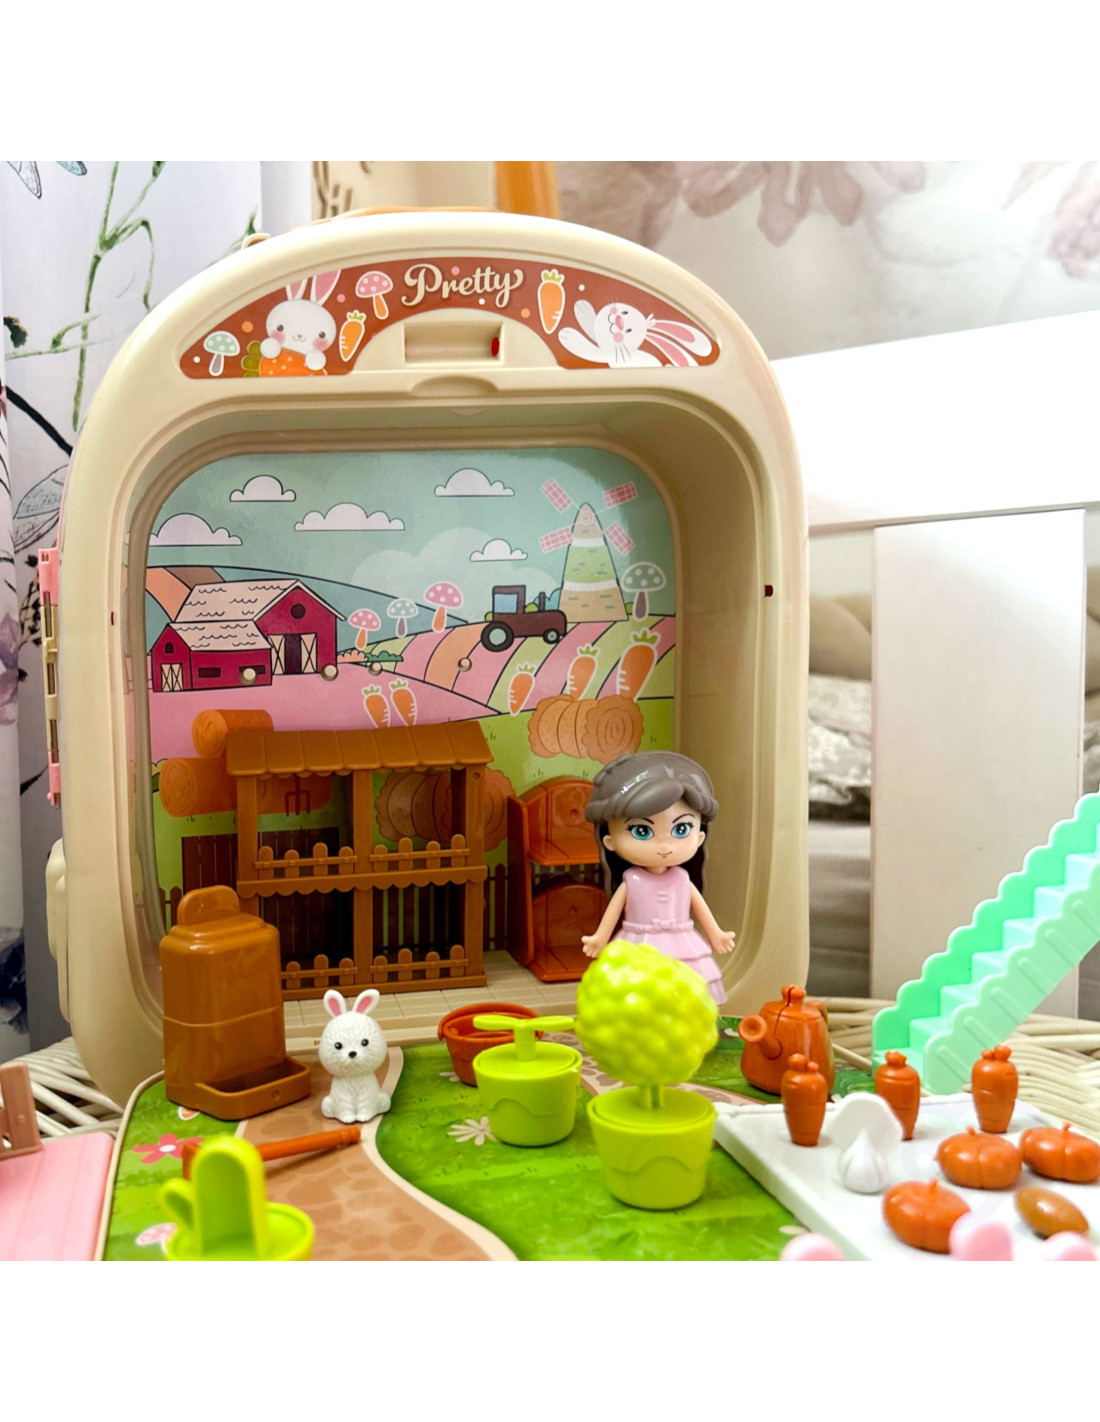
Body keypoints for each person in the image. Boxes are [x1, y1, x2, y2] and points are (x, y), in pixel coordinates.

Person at [582, 751, 736, 1005]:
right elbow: (613, 913)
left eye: (681, 829)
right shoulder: (632, 880)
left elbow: (701, 909)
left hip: (682, 942)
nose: (664, 845)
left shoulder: (682, 878)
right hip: (638, 942)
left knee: (686, 993)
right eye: (642, 831)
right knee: (638, 993)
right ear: (610, 841)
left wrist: (716, 934)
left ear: (699, 837)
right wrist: (600, 938)